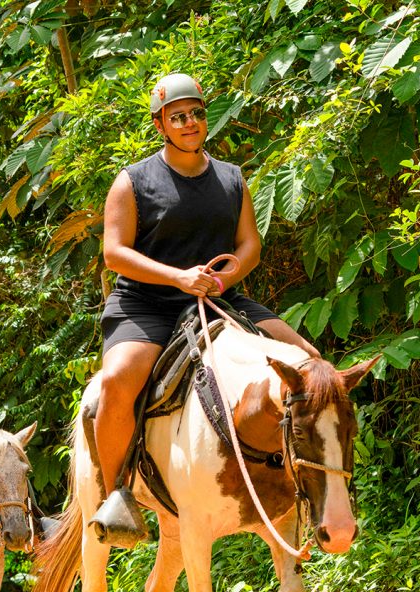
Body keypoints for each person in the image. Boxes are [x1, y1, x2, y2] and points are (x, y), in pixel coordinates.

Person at [93, 73, 320, 545]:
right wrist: (177, 277)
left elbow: (249, 245)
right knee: (117, 381)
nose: (190, 122)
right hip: (147, 302)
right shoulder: (133, 181)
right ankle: (114, 493)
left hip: (219, 298)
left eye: (196, 113)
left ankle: (318, 480)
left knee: (310, 359)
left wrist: (223, 279)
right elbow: (115, 252)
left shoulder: (231, 178)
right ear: (161, 125)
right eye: (178, 116)